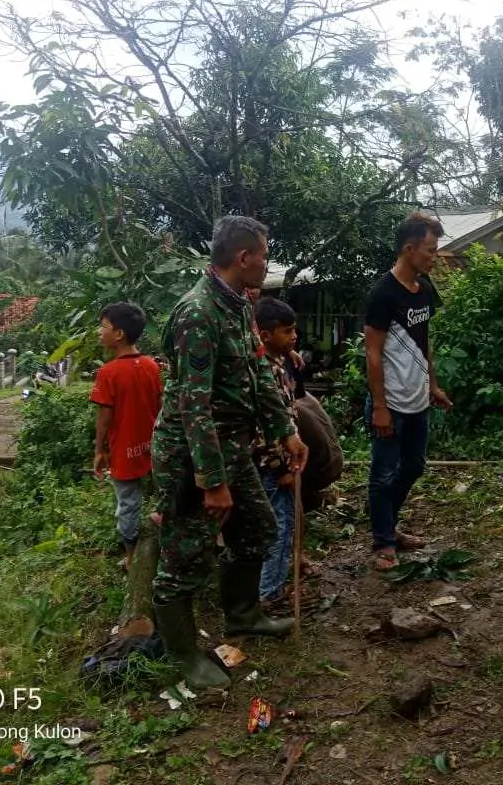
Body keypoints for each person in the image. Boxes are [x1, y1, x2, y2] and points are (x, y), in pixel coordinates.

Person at [150, 215, 308, 691]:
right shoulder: (197, 313)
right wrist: (211, 482)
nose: (266, 262)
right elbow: (192, 404)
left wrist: (286, 430)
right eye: (264, 253)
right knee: (184, 558)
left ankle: (242, 615)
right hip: (193, 456)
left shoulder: (239, 305)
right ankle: (181, 654)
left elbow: (258, 372)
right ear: (244, 258)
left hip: (233, 445)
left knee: (259, 526)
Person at [363, 212, 451, 572]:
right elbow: (373, 352)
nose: (435, 256)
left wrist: (432, 383)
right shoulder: (383, 294)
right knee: (382, 473)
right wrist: (380, 406)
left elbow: (423, 341)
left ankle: (388, 524)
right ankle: (383, 540)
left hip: (418, 398)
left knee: (413, 465)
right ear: (409, 248)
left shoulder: (425, 289)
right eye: (430, 250)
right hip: (392, 401)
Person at [90, 303, 163, 571]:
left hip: (124, 448)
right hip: (154, 446)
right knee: (164, 491)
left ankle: (132, 557)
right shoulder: (151, 366)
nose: (99, 332)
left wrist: (100, 449)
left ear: (119, 334)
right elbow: (159, 405)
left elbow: (104, 418)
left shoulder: (108, 373)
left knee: (128, 504)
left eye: (103, 326)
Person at [252, 296, 304, 604]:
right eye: (287, 332)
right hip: (272, 465)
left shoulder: (273, 363)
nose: (294, 336)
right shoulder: (265, 375)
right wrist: (283, 467)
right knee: (278, 525)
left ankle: (275, 580)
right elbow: (266, 427)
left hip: (279, 460)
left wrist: (290, 352)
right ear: (266, 336)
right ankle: (269, 591)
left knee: (282, 522)